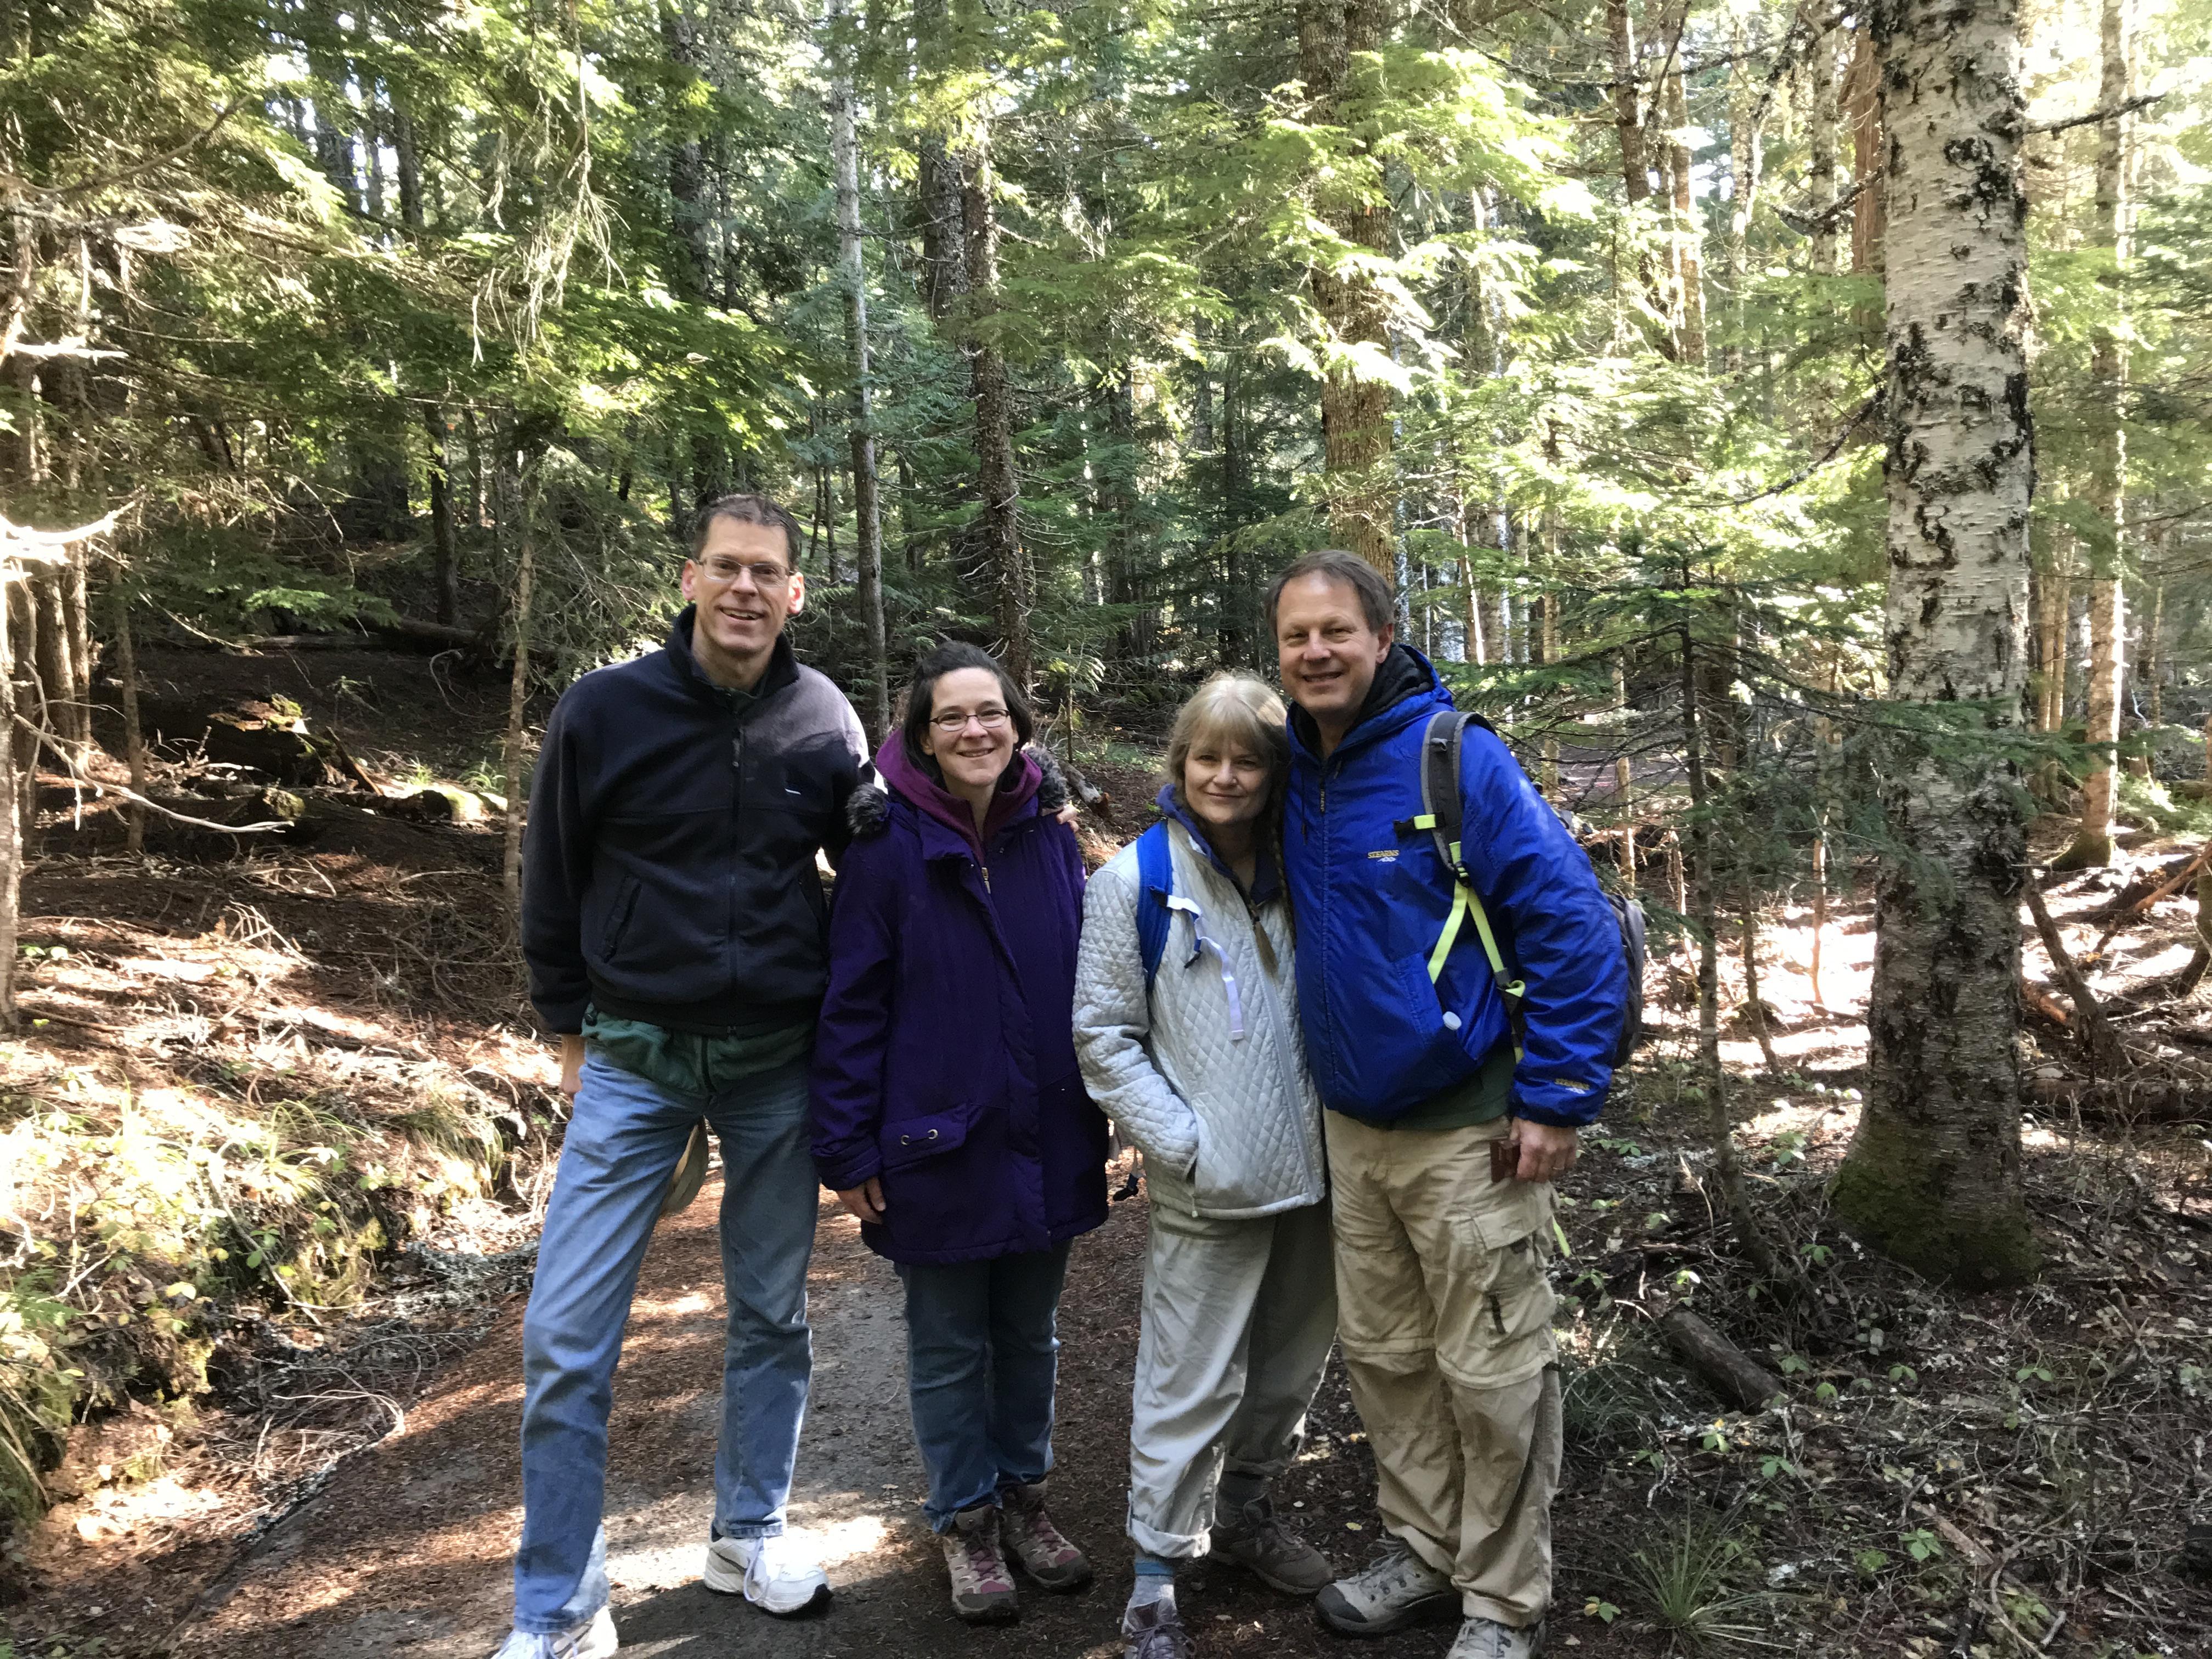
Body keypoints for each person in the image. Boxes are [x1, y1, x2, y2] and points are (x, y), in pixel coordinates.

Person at [502, 493, 867, 1659]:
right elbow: (551, 873)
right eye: (728, 569)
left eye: (769, 572)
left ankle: (747, 1533)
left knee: (771, 1315)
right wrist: (566, 1028)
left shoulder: (825, 718)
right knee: (567, 1336)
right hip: (635, 1062)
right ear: (690, 580)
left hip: (775, 1065)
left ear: (796, 592)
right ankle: (557, 1607)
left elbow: (868, 887)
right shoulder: (604, 710)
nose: (748, 589)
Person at [1270, 551, 1629, 1659]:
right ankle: (1424, 1553)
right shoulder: (1294, 765)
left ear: (1383, 637)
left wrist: (1558, 1096)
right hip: (1353, 1130)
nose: (1316, 652)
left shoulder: (1452, 760)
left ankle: (1503, 1599)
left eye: (1336, 631)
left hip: (1469, 1130)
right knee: (1387, 1361)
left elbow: (1574, 925)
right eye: (1295, 638)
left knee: (1495, 1368)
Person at [810, 642, 1109, 1626]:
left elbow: (1093, 984)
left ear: (1018, 723)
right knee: (947, 1346)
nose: (976, 731)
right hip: (936, 1143)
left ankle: (1027, 1501)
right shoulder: (885, 844)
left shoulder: (1051, 835)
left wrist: (1113, 1108)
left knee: (1030, 1335)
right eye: (953, 718)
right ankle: (966, 1523)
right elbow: (851, 1002)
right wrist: (846, 1148)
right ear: (922, 737)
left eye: (992, 713)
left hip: (1051, 1129)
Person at [1073, 673, 1339, 1659]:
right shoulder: (1134, 881)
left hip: (1322, 1176)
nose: (1226, 776)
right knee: (1190, 1377)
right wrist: (1180, 1144)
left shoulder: (1310, 869)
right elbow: (1102, 1036)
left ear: (1277, 773)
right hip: (1207, 1184)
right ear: (1180, 763)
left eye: (1249, 760)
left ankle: (1249, 1520)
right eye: (1208, 756)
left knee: (1287, 1369)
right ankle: (1154, 1571)